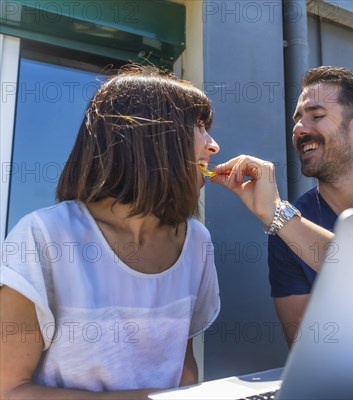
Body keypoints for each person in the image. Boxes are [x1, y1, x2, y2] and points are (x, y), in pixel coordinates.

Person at [0, 65, 221, 399]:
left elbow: (184, 370)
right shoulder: (42, 237)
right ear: (151, 139)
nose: (213, 145)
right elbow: (10, 390)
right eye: (199, 127)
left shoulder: (196, 242)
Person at [213, 66, 353, 346]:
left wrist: (279, 215)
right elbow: (304, 347)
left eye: (317, 116)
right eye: (297, 119)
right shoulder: (285, 230)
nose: (298, 128)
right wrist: (280, 218)